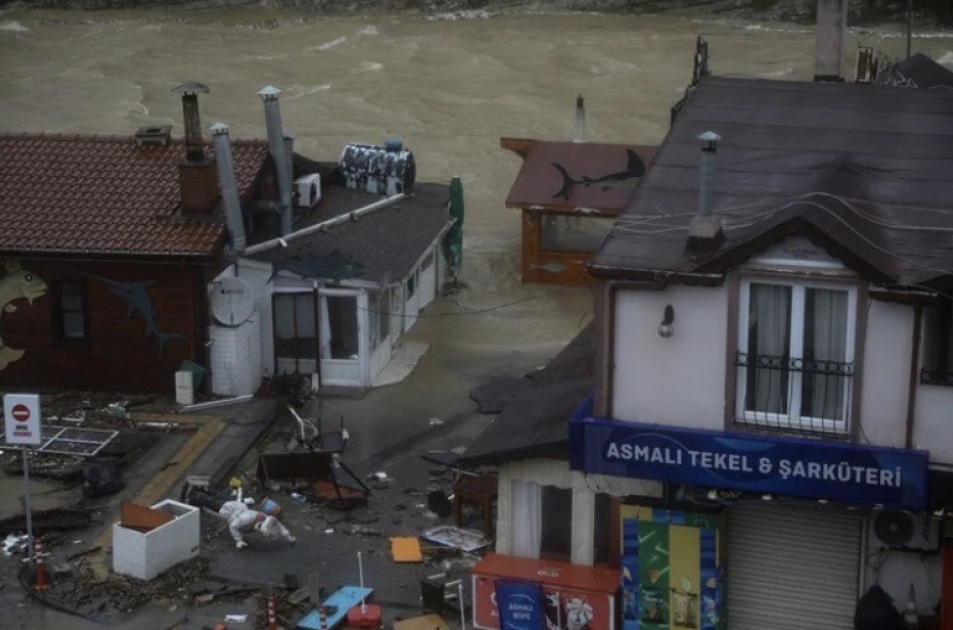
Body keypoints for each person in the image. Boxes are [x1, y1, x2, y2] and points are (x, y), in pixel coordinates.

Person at [218, 500, 296, 549]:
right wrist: (239, 540)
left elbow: (280, 526)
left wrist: (289, 537)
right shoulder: (245, 518)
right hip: (229, 512)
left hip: (243, 514)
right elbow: (232, 526)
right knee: (213, 503)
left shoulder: (267, 518)